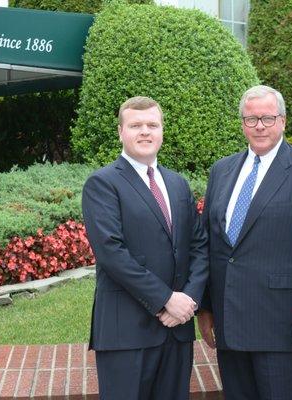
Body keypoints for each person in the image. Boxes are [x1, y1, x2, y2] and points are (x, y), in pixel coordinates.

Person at [197, 85, 292, 399]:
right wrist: (206, 308)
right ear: (242, 124)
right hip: (230, 323)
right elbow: (211, 244)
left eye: (267, 118)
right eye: (251, 119)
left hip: (285, 326)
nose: (259, 126)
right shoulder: (221, 171)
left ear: (283, 121)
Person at [82, 96, 208, 400]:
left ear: (162, 131)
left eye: (152, 125)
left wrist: (189, 298)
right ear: (121, 132)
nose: (145, 132)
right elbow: (112, 254)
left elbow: (199, 245)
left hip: (176, 331)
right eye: (135, 125)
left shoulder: (178, 184)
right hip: (127, 333)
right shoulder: (103, 184)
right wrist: (165, 299)